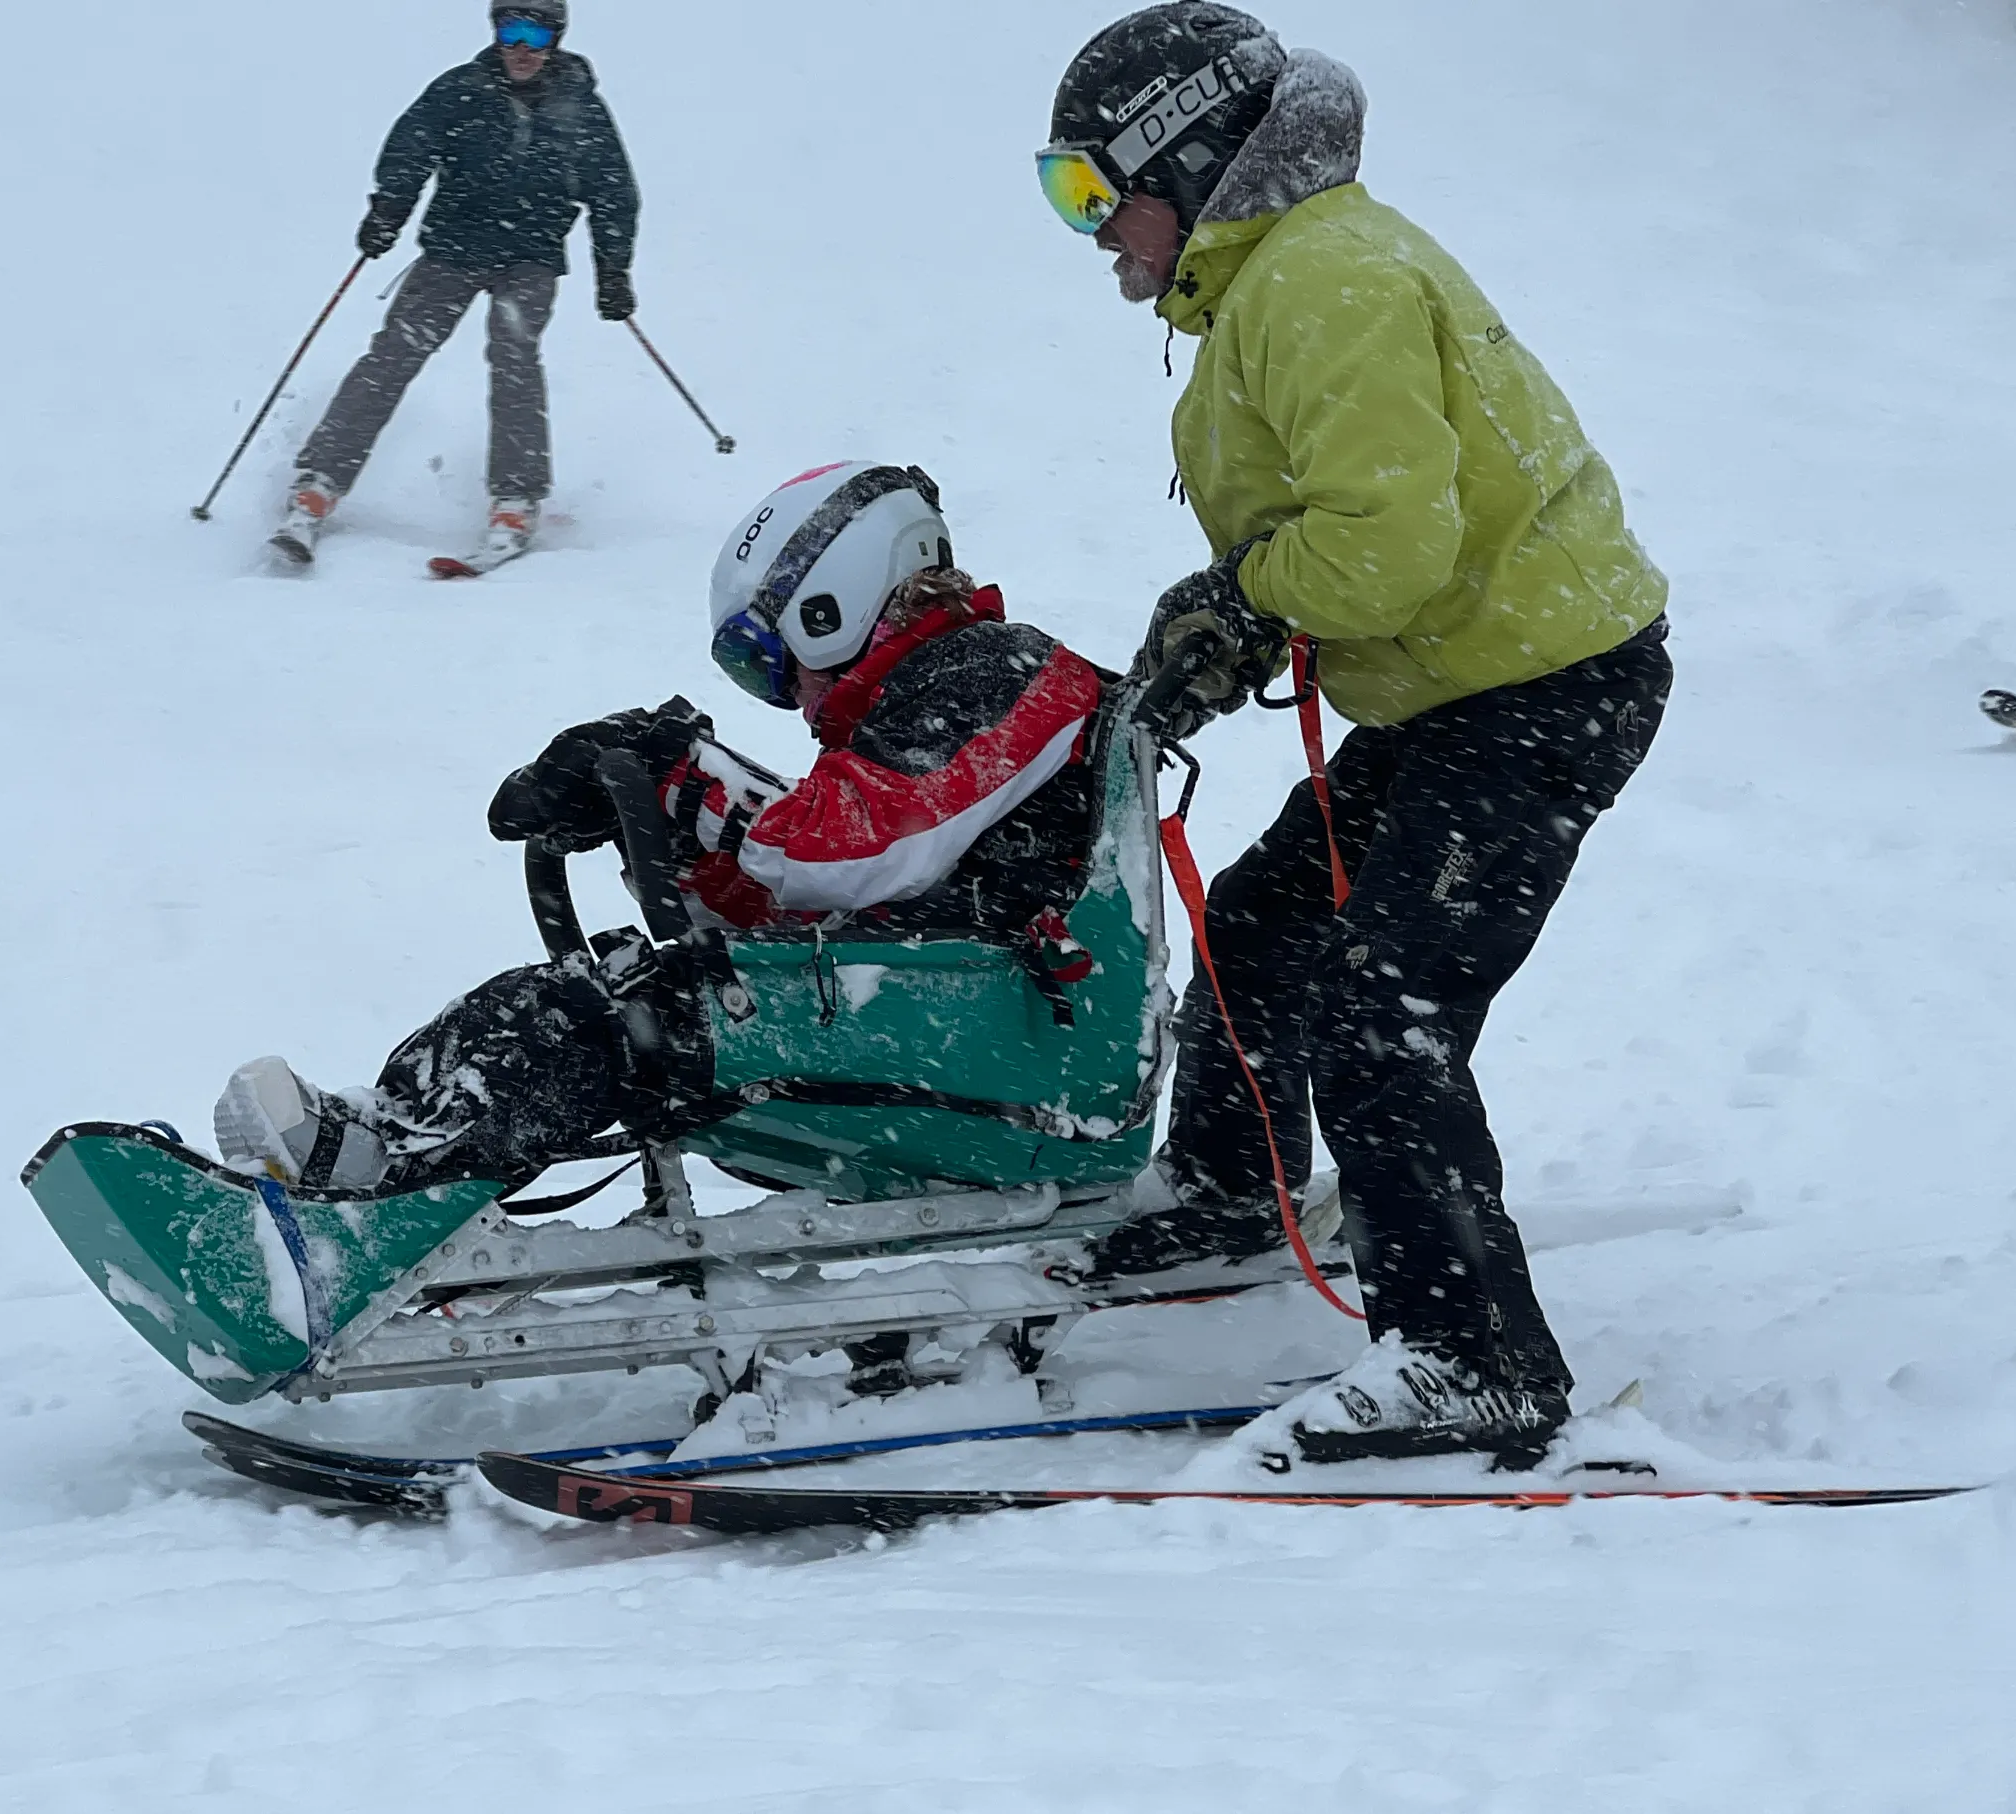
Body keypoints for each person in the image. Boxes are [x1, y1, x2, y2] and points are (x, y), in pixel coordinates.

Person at [1038, 5, 1673, 1464]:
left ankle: (1471, 1357)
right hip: (1462, 687)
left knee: (1384, 1013)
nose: (1087, 233)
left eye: (1089, 192)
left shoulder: (1320, 282)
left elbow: (1383, 547)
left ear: (1182, 164)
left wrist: (1245, 601)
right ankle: (1224, 1190)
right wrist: (1243, 606)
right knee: (1267, 929)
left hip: (1533, 689)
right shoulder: (1281, 277)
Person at [217, 463, 1106, 1195]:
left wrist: (679, 768)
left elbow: (845, 854)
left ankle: (385, 1181)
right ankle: (390, 1148)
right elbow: (816, 876)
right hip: (951, 1016)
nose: (782, 695)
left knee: (611, 1018)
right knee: (598, 998)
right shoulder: (938, 699)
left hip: (1024, 1050)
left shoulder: (1006, 672)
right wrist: (660, 815)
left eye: (764, 659)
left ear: (830, 606)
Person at [269, 2, 640, 573]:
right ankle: (318, 485)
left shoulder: (580, 108)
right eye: (509, 30)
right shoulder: (462, 89)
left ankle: (516, 501)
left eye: (534, 33)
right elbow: (410, 147)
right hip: (454, 249)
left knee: (515, 361)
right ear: (494, 32)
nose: (521, 46)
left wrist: (613, 268)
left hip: (530, 257)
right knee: (393, 355)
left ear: (555, 39)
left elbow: (612, 188)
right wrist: (390, 207)